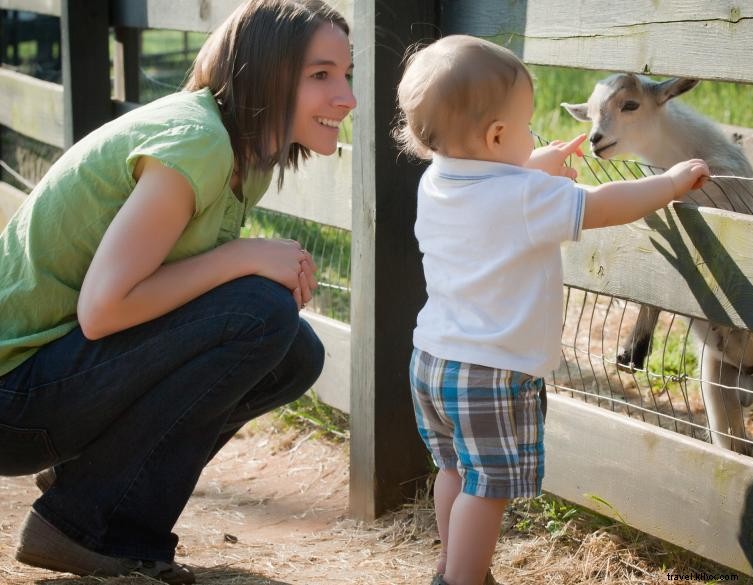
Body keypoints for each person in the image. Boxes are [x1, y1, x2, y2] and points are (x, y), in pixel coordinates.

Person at [0, 1, 355, 582]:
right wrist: (243, 256)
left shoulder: (245, 154)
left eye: (346, 75)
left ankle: (97, 501)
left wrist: (248, 267)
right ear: (264, 71)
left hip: (50, 382)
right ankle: (84, 523)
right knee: (261, 312)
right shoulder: (199, 141)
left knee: (293, 352)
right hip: (11, 397)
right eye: (320, 75)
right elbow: (103, 309)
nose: (346, 98)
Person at [395, 35, 709, 585]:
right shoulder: (524, 198)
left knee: (453, 469)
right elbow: (605, 207)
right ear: (497, 136)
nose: (531, 137)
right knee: (486, 491)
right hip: (491, 374)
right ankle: (461, 579)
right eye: (526, 128)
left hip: (432, 363)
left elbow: (492, 178)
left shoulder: (437, 180)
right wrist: (669, 182)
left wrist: (536, 162)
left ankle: (450, 563)